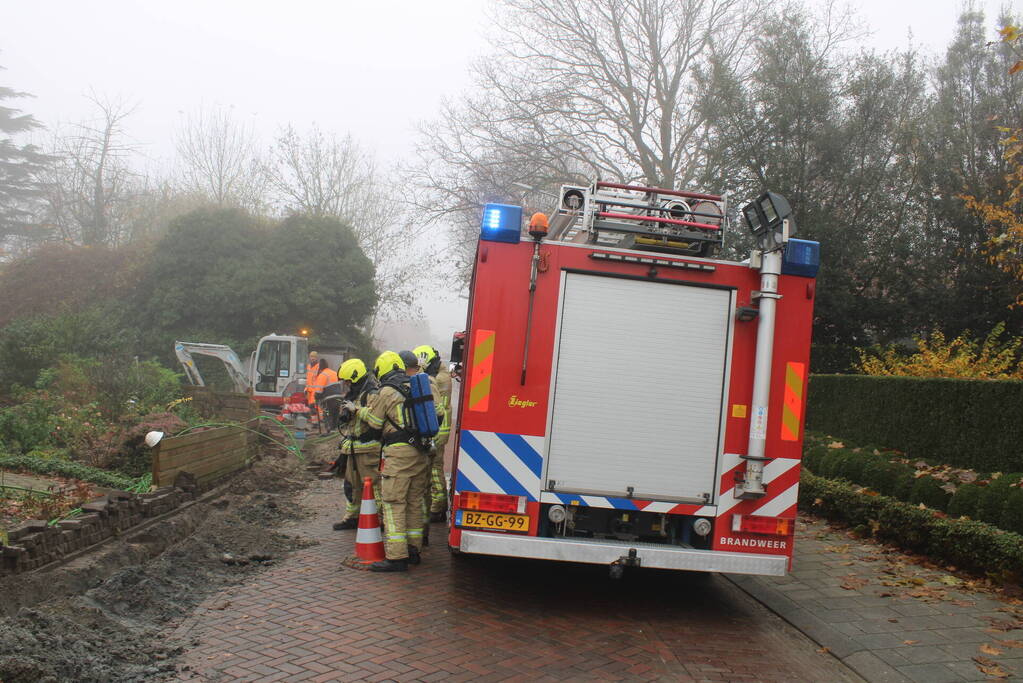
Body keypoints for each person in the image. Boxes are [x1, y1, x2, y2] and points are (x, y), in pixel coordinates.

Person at [349, 351, 430, 572]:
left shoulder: (387, 391)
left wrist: (357, 410)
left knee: (393, 503)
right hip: (420, 451)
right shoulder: (416, 384)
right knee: (414, 502)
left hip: (398, 453)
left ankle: (396, 557)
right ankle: (413, 550)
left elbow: (375, 423)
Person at [333, 358, 381, 530]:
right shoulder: (356, 394)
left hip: (368, 449)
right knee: (352, 485)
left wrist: (356, 410)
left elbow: (376, 420)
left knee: (373, 486)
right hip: (354, 447)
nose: (345, 385)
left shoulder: (372, 393)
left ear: (355, 378)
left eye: (347, 381)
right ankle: (352, 518)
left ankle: (378, 519)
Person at [415, 345, 452, 522]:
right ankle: (437, 503)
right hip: (439, 428)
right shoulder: (441, 373)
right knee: (434, 468)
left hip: (438, 430)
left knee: (435, 469)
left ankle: (438, 506)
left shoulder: (439, 378)